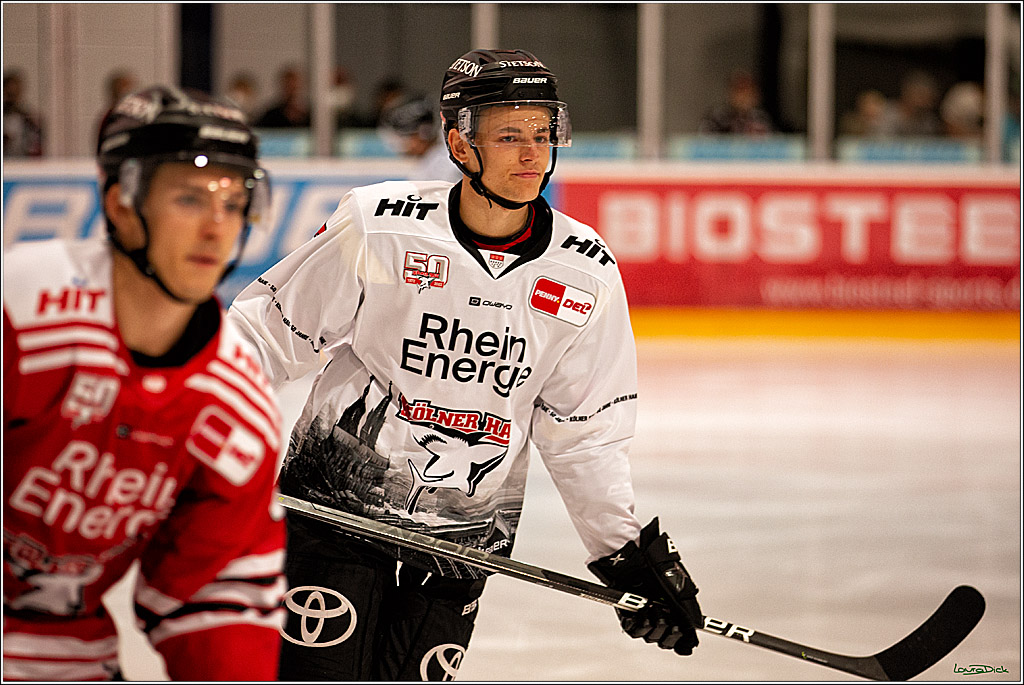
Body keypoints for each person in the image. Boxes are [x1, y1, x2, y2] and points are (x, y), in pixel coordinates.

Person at [227, 48, 703, 681]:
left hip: (464, 538)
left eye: (541, 134)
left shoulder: (585, 269)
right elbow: (265, 334)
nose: (532, 155)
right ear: (459, 142)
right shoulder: (380, 227)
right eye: (510, 137)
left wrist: (624, 552)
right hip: (333, 509)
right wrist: (192, 429)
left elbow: (584, 436)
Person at [3, 85, 286, 681]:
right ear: (122, 202)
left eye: (234, 203)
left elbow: (215, 590)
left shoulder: (237, 404)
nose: (217, 228)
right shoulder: (21, 317)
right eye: (190, 198)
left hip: (65, 656)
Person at [379, 95, 463, 182]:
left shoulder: (450, 160)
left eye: (407, 137)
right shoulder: (425, 164)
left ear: (424, 132)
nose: (403, 145)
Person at [698, 69, 775, 135]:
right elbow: (704, 142)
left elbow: (773, 144)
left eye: (748, 90)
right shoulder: (717, 117)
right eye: (740, 90)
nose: (744, 96)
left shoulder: (761, 118)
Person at [3, 69, 44, 157]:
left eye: (15, 92)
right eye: (9, 93)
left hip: (23, 163)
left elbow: (36, 146)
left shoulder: (28, 117)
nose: (12, 97)